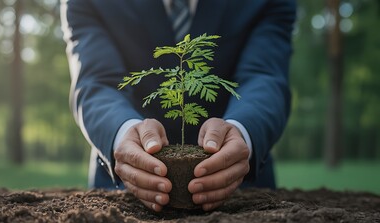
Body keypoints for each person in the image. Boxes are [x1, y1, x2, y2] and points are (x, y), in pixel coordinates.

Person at [61, 0, 296, 212]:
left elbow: (264, 76)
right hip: (125, 191)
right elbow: (97, 82)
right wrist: (122, 132)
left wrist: (242, 129)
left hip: (240, 192)